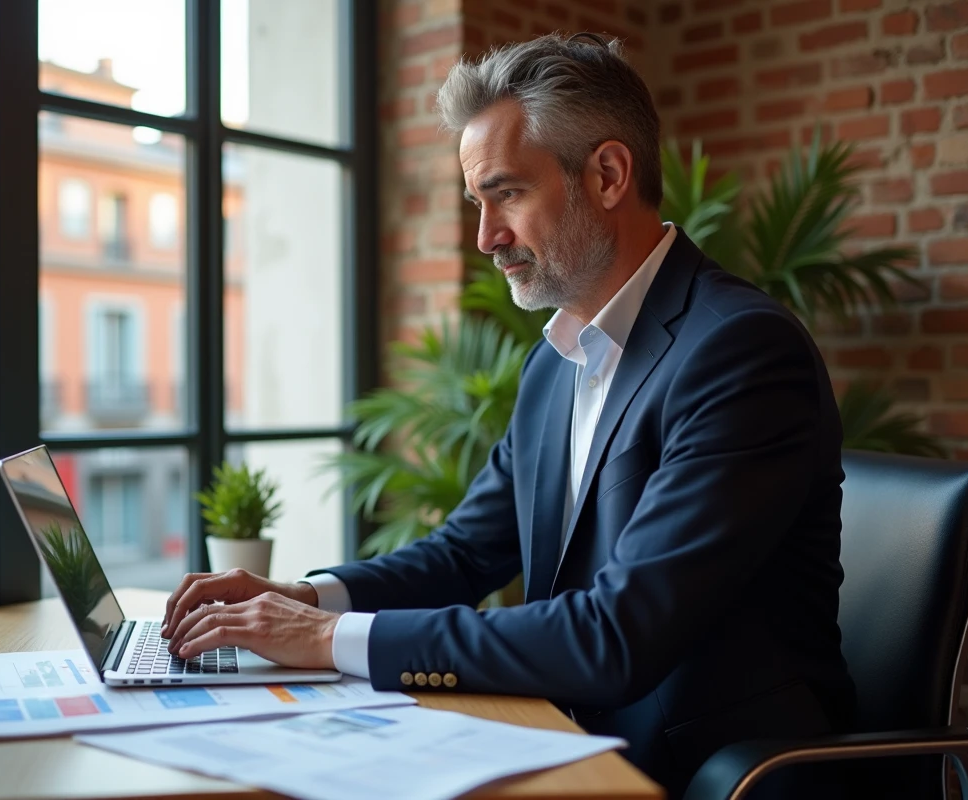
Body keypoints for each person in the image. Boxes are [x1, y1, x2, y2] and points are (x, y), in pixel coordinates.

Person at [161, 32, 855, 797]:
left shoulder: (740, 352)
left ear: (609, 175)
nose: (487, 237)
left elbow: (617, 634)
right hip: (563, 737)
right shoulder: (554, 362)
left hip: (704, 769)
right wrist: (305, 597)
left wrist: (327, 639)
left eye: (507, 194)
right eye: (477, 202)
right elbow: (465, 554)